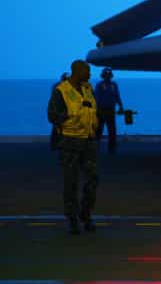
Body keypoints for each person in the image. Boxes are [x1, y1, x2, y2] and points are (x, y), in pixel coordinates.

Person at [47, 60, 99, 234]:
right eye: (87, 71)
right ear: (77, 71)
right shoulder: (61, 91)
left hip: (88, 141)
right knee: (71, 183)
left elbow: (92, 111)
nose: (90, 74)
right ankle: (72, 219)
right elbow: (52, 116)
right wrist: (72, 115)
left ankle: (86, 214)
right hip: (70, 142)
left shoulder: (88, 89)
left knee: (92, 180)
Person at [94, 67, 124, 154]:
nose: (107, 76)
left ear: (110, 76)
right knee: (98, 130)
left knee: (112, 130)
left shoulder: (114, 85)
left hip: (111, 110)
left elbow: (117, 96)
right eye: (106, 75)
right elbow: (96, 98)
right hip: (101, 110)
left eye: (109, 75)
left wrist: (121, 106)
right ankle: (95, 148)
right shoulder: (99, 85)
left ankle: (112, 149)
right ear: (103, 76)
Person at [49, 72, 69, 151]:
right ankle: (54, 145)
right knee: (57, 127)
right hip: (58, 110)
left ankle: (59, 145)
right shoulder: (58, 86)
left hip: (63, 109)